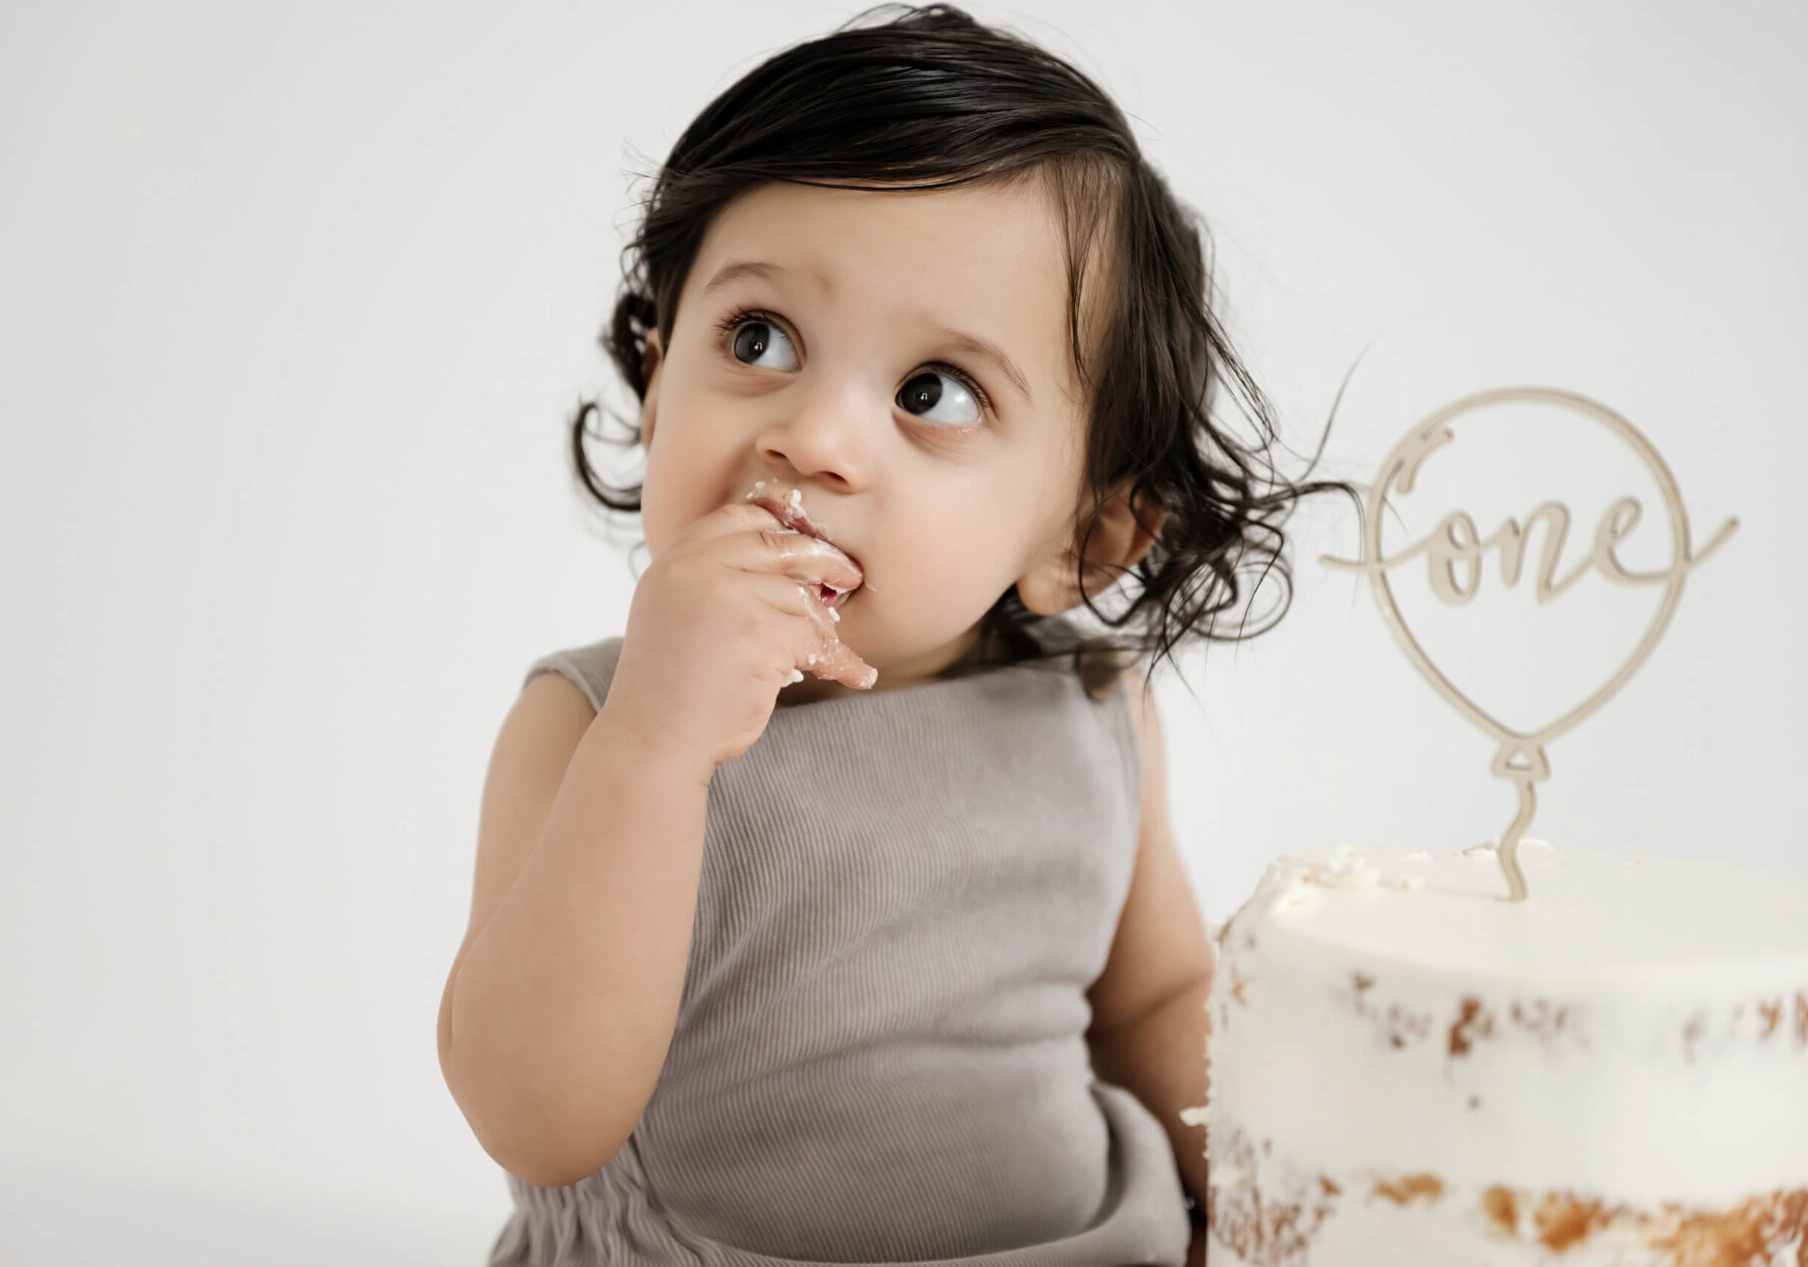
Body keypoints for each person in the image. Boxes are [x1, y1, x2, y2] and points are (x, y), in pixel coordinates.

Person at [438, 4, 1362, 1263]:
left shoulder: (1087, 707)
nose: (814, 437)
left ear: (1083, 538)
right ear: (656, 379)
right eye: (756, 340)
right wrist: (657, 741)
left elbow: (1151, 1001)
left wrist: (1293, 1198)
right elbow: (536, 1116)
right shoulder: (591, 723)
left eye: (933, 393)